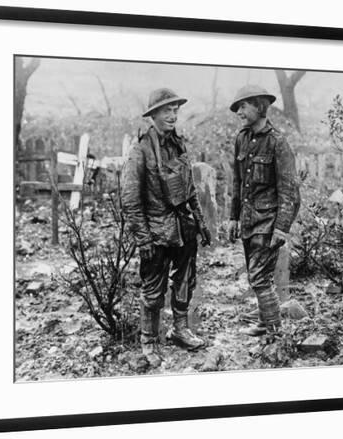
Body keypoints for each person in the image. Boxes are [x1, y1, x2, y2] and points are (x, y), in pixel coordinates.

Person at [121, 88, 212, 367]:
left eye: (175, 110)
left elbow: (189, 188)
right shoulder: (140, 151)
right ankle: (149, 341)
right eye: (166, 111)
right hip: (156, 232)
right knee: (153, 289)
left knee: (185, 280)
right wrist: (143, 238)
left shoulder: (178, 144)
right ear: (153, 116)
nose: (173, 115)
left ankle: (180, 330)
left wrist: (200, 221)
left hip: (183, 227)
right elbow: (130, 199)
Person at [228, 84, 300, 336]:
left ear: (259, 106)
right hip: (248, 221)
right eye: (237, 108)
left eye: (243, 106)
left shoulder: (278, 142)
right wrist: (232, 217)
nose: (239, 112)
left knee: (258, 278)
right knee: (259, 277)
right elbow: (236, 182)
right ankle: (265, 322)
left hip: (268, 223)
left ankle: (273, 330)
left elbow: (289, 190)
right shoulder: (241, 139)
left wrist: (282, 228)